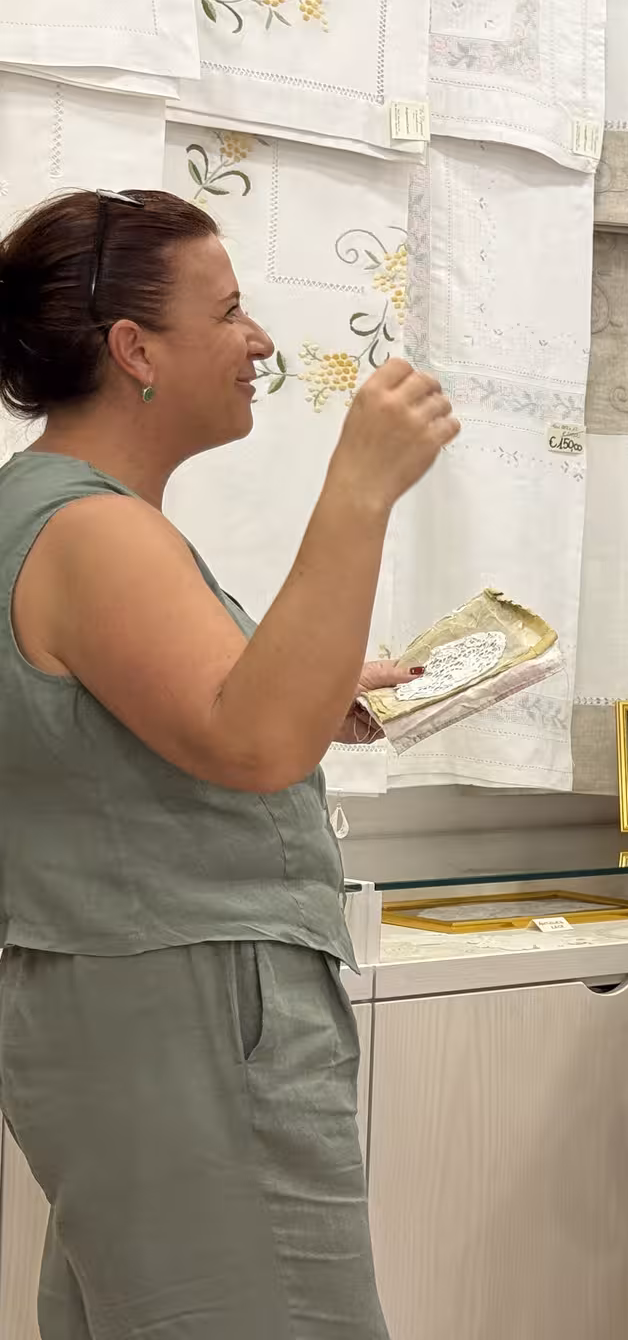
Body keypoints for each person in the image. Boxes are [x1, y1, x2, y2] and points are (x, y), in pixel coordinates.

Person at [0, 188, 458, 1337]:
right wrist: (361, 485)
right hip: (188, 1001)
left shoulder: (48, 514)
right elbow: (252, 744)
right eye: (231, 311)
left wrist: (317, 692)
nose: (259, 342)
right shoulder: (94, 530)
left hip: (133, 1003)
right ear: (133, 349)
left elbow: (191, 721)